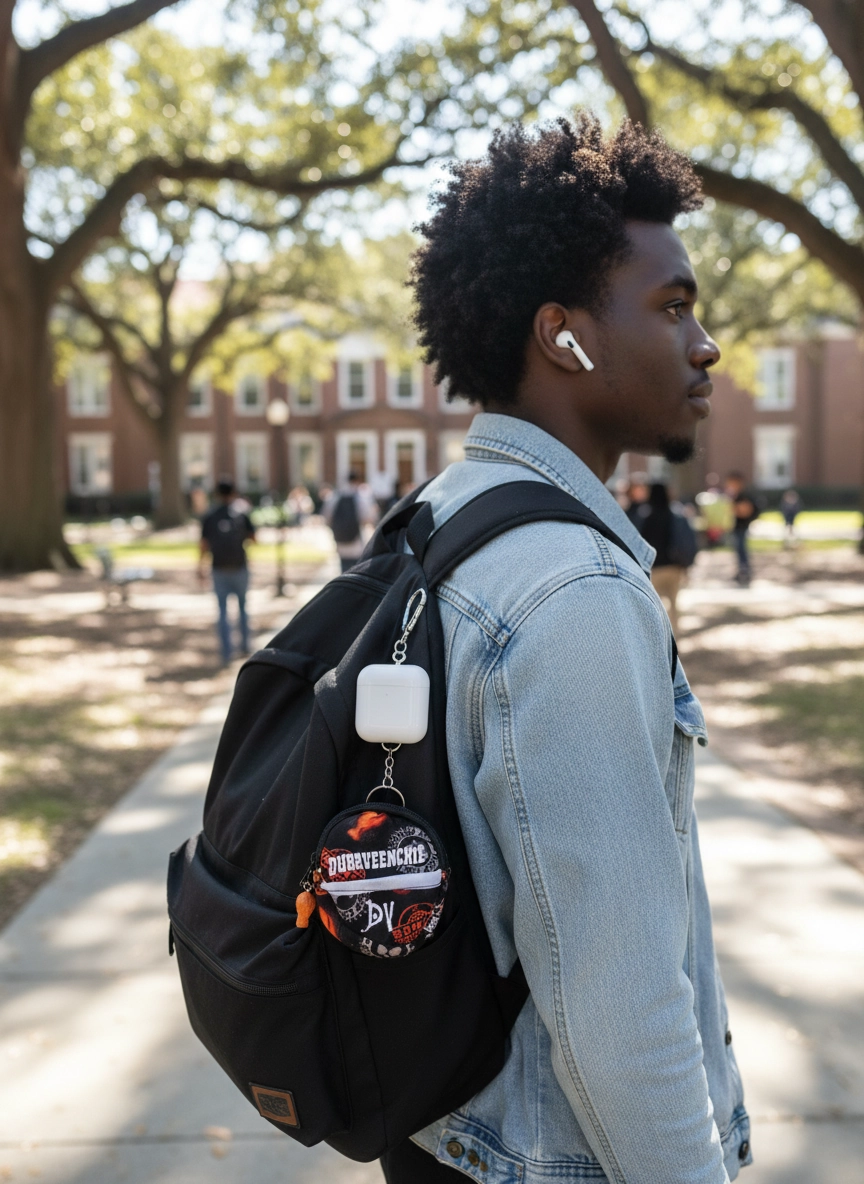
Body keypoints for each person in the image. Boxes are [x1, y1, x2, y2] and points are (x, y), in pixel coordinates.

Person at [379, 116, 750, 1183]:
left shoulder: (437, 518)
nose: (705, 340)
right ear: (565, 335)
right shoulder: (574, 591)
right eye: (673, 304)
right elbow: (621, 1008)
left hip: (447, 1139)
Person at [198, 477, 256, 665]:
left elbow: (204, 545)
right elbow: (254, 538)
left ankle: (226, 652)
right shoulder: (242, 513)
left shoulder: (210, 515)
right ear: (233, 493)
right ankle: (245, 645)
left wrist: (199, 566)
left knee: (222, 610)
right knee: (242, 607)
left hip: (218, 568)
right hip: (239, 566)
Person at [634, 481, 696, 633]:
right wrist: (686, 564)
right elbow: (688, 542)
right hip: (673, 567)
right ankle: (674, 642)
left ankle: (658, 641)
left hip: (652, 568)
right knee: (673, 606)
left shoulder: (643, 516)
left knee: (653, 607)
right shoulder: (677, 516)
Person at [323, 471, 378, 573]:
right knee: (355, 570)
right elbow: (369, 517)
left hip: (340, 539)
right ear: (357, 480)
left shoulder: (335, 495)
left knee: (343, 569)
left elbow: (327, 516)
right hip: (356, 539)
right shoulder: (361, 496)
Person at [724, 471, 760, 585]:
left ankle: (744, 571)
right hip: (736, 527)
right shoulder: (734, 495)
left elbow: (745, 511)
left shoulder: (743, 496)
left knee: (741, 549)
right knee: (738, 549)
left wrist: (733, 509)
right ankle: (741, 570)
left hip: (742, 527)